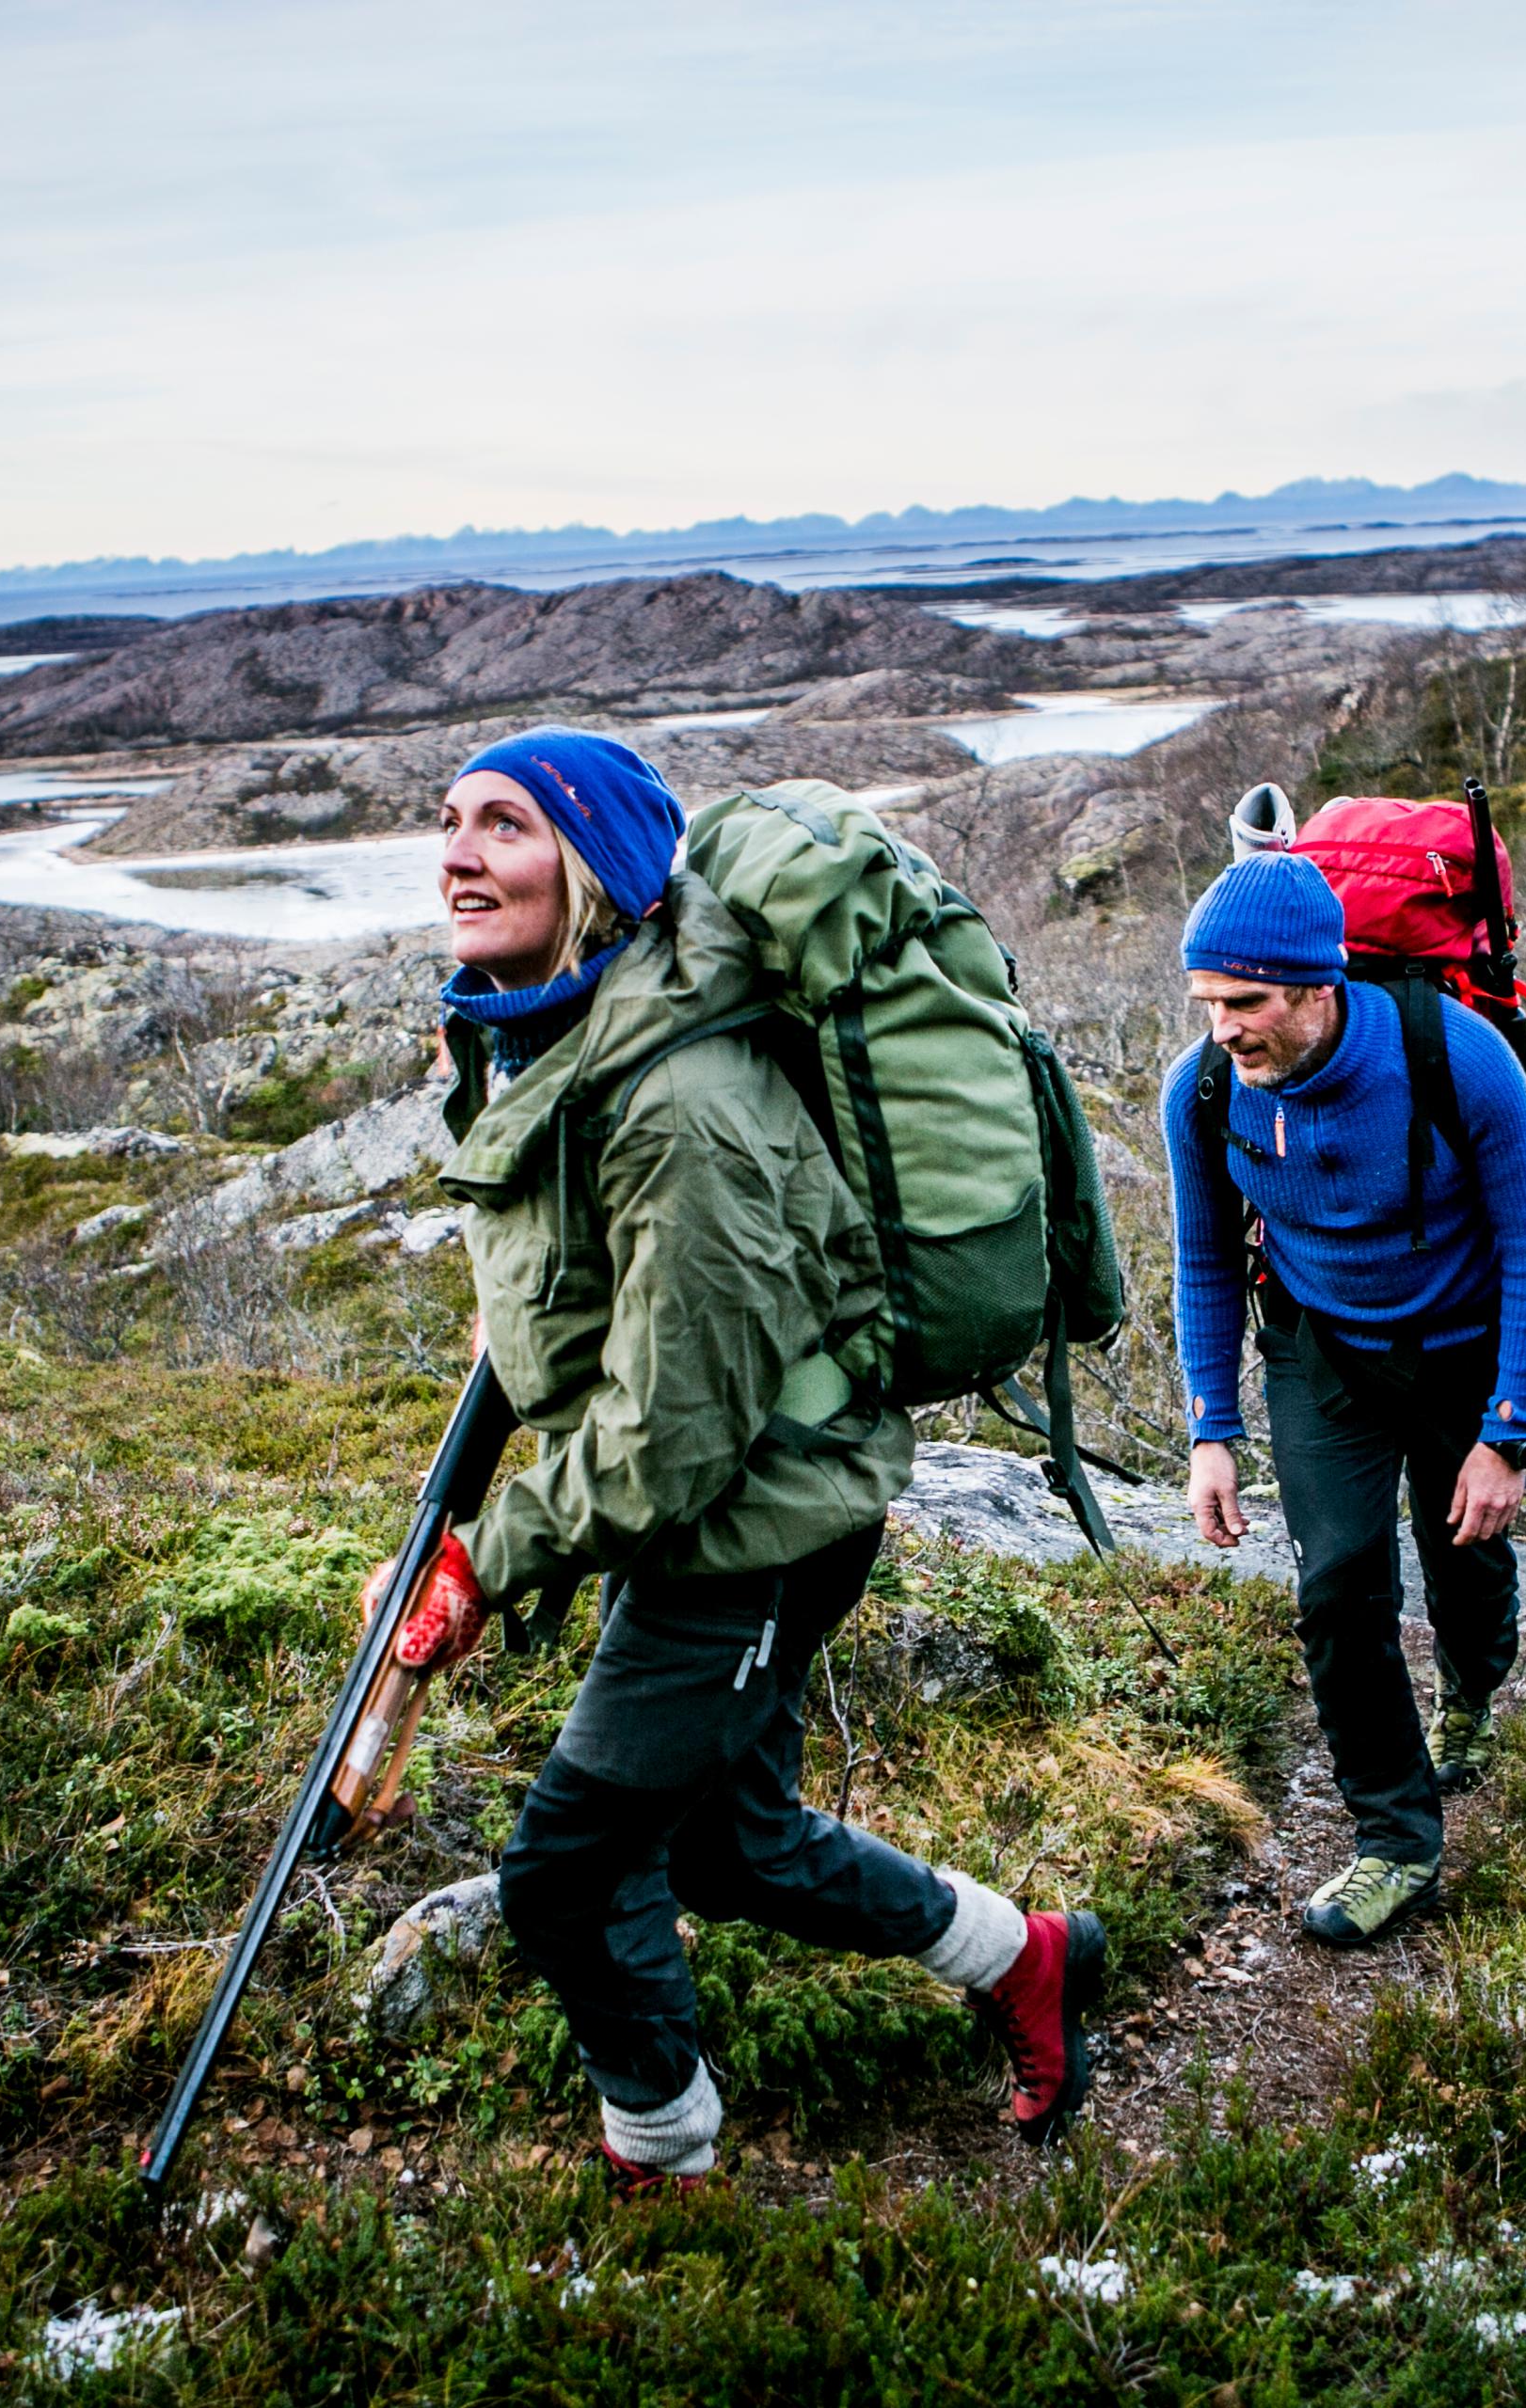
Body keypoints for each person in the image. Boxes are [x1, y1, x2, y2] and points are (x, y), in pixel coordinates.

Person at [373, 724, 1102, 2190]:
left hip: (758, 1516)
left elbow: (667, 1442)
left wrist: (484, 1560)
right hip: (723, 1502)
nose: (459, 854)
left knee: (567, 1874)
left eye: (505, 826)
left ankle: (664, 2153)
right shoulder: (566, 1030)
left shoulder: (684, 1100)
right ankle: (1027, 1958)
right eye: (451, 821)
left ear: (595, 869)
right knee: (725, 1845)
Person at [1161, 850, 1526, 1945]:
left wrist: (1508, 1436)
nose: (1224, 1032)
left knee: (1467, 1559)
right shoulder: (1203, 1091)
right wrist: (1213, 1428)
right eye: (1208, 1005)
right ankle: (1396, 1842)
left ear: (1316, 985)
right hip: (1321, 1348)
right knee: (1339, 1582)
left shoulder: (1459, 1057)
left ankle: (1476, 1688)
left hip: (1458, 1342)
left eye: (1244, 1004)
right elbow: (1204, 1260)